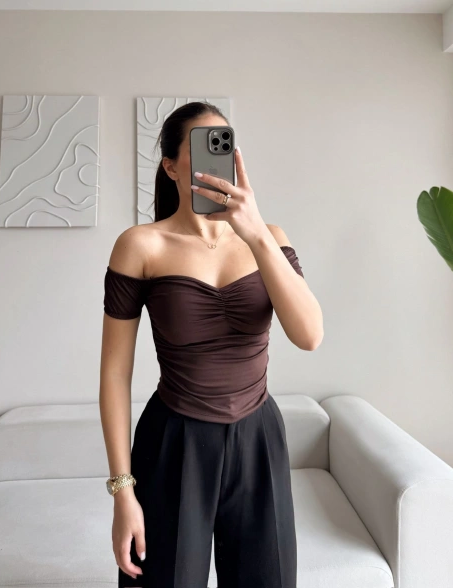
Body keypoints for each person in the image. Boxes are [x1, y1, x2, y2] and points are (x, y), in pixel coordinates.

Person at [99, 102, 323, 588]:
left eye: (223, 146)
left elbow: (309, 336)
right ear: (171, 167)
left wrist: (256, 233)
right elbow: (115, 374)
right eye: (202, 148)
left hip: (259, 438)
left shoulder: (269, 238)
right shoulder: (141, 245)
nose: (215, 161)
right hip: (173, 442)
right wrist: (122, 492)